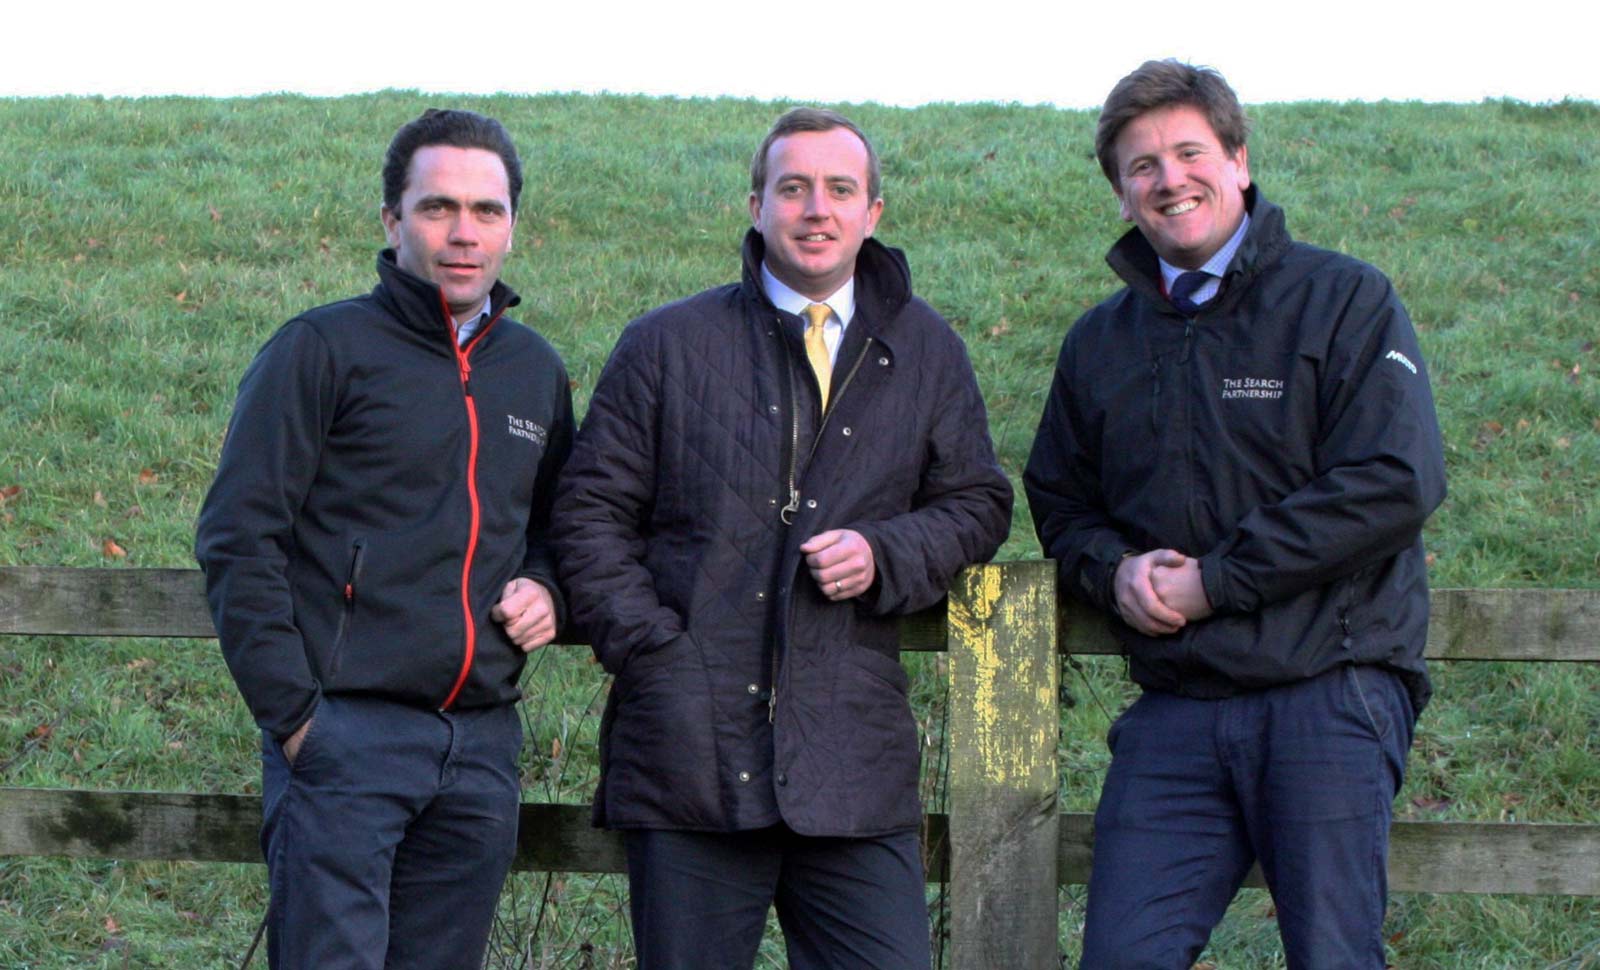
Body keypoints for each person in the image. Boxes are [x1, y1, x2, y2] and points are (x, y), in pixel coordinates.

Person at [552, 107, 1012, 970]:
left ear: (873, 212)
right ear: (756, 203)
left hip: (851, 761)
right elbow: (588, 513)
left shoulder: (927, 352)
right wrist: (655, 653)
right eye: (792, 187)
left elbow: (979, 503)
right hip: (689, 755)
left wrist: (888, 553)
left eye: (840, 189)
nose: (816, 208)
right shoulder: (666, 345)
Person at [1024, 61, 1447, 969]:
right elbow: (1060, 501)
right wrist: (1115, 572)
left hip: (1327, 693)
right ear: (1122, 194)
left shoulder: (1343, 302)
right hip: (1176, 710)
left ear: (1240, 160)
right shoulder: (1101, 343)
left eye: (1189, 152)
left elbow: (1393, 479)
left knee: (1333, 958)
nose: (1169, 178)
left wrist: (1218, 581)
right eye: (1142, 166)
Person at [194, 108, 572, 970]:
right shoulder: (320, 350)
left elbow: (557, 528)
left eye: (488, 210)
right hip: (344, 742)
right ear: (392, 220)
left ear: (514, 223)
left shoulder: (535, 372)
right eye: (438, 208)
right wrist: (296, 720)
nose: (463, 232)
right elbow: (236, 537)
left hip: (479, 746)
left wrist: (549, 585)